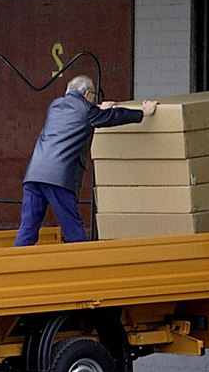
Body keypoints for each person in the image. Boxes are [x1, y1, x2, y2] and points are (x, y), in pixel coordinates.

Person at [14, 75, 158, 246]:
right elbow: (113, 117)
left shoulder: (55, 106)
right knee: (72, 226)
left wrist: (98, 109)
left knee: (28, 226)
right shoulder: (87, 110)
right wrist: (143, 112)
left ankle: (16, 265)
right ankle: (84, 266)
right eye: (93, 96)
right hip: (59, 177)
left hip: (34, 175)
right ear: (88, 93)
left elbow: (78, 116)